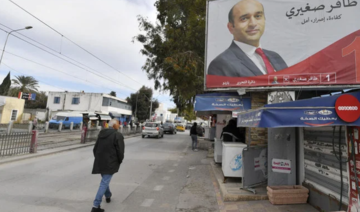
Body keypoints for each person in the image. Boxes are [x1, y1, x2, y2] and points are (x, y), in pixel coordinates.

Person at [207, 0, 288, 77]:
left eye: (258, 16)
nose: (253, 24)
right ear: (231, 27)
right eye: (244, 18)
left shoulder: (275, 57)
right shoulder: (221, 63)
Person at [91, 119, 125, 212]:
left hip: (100, 161)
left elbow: (95, 149)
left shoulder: (101, 134)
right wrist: (119, 161)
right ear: (114, 126)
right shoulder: (117, 135)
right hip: (110, 163)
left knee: (105, 181)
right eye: (118, 124)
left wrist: (98, 158)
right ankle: (95, 206)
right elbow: (120, 151)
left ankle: (108, 195)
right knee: (104, 182)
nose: (119, 126)